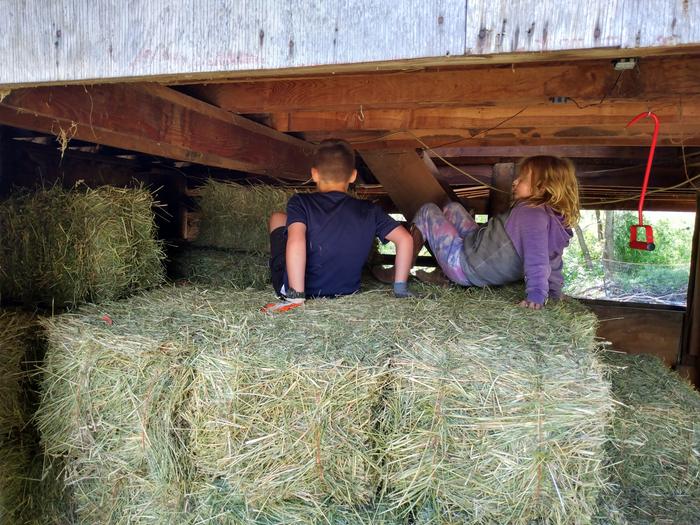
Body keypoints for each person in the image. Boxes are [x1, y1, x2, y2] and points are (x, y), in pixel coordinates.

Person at [263, 139, 414, 313]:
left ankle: (293, 291)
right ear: (353, 176)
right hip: (347, 291)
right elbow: (406, 239)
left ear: (315, 174)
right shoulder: (370, 210)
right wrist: (400, 289)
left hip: (305, 290)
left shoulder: (301, 203)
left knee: (277, 218)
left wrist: (296, 297)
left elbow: (296, 241)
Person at [409, 155, 579, 309]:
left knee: (428, 211)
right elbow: (553, 260)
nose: (515, 182)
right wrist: (555, 294)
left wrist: (536, 296)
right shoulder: (554, 221)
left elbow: (538, 260)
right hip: (478, 256)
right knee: (452, 208)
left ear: (542, 188)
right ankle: (442, 274)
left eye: (523, 179)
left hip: (465, 268)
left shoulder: (530, 213)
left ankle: (401, 274)